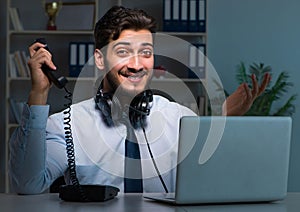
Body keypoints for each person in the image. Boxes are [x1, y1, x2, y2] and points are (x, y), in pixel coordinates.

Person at [9, 6, 271, 194]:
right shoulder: (65, 124)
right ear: (100, 59)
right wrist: (39, 92)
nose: (136, 64)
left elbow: (211, 180)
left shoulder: (179, 117)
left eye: (145, 52)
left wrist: (223, 119)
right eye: (123, 52)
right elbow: (27, 184)